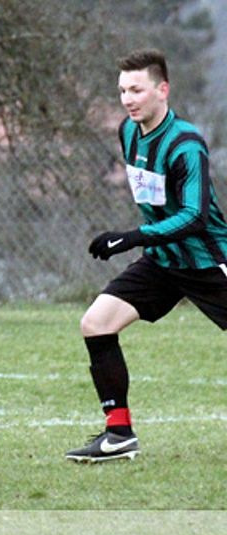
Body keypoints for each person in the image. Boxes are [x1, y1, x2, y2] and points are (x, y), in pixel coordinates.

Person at [65, 49, 227, 463]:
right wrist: (142, 240)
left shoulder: (186, 144)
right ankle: (118, 433)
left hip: (207, 262)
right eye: (122, 91)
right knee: (96, 323)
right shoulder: (128, 132)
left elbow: (194, 216)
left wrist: (132, 237)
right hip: (164, 261)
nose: (128, 99)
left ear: (162, 90)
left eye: (136, 90)